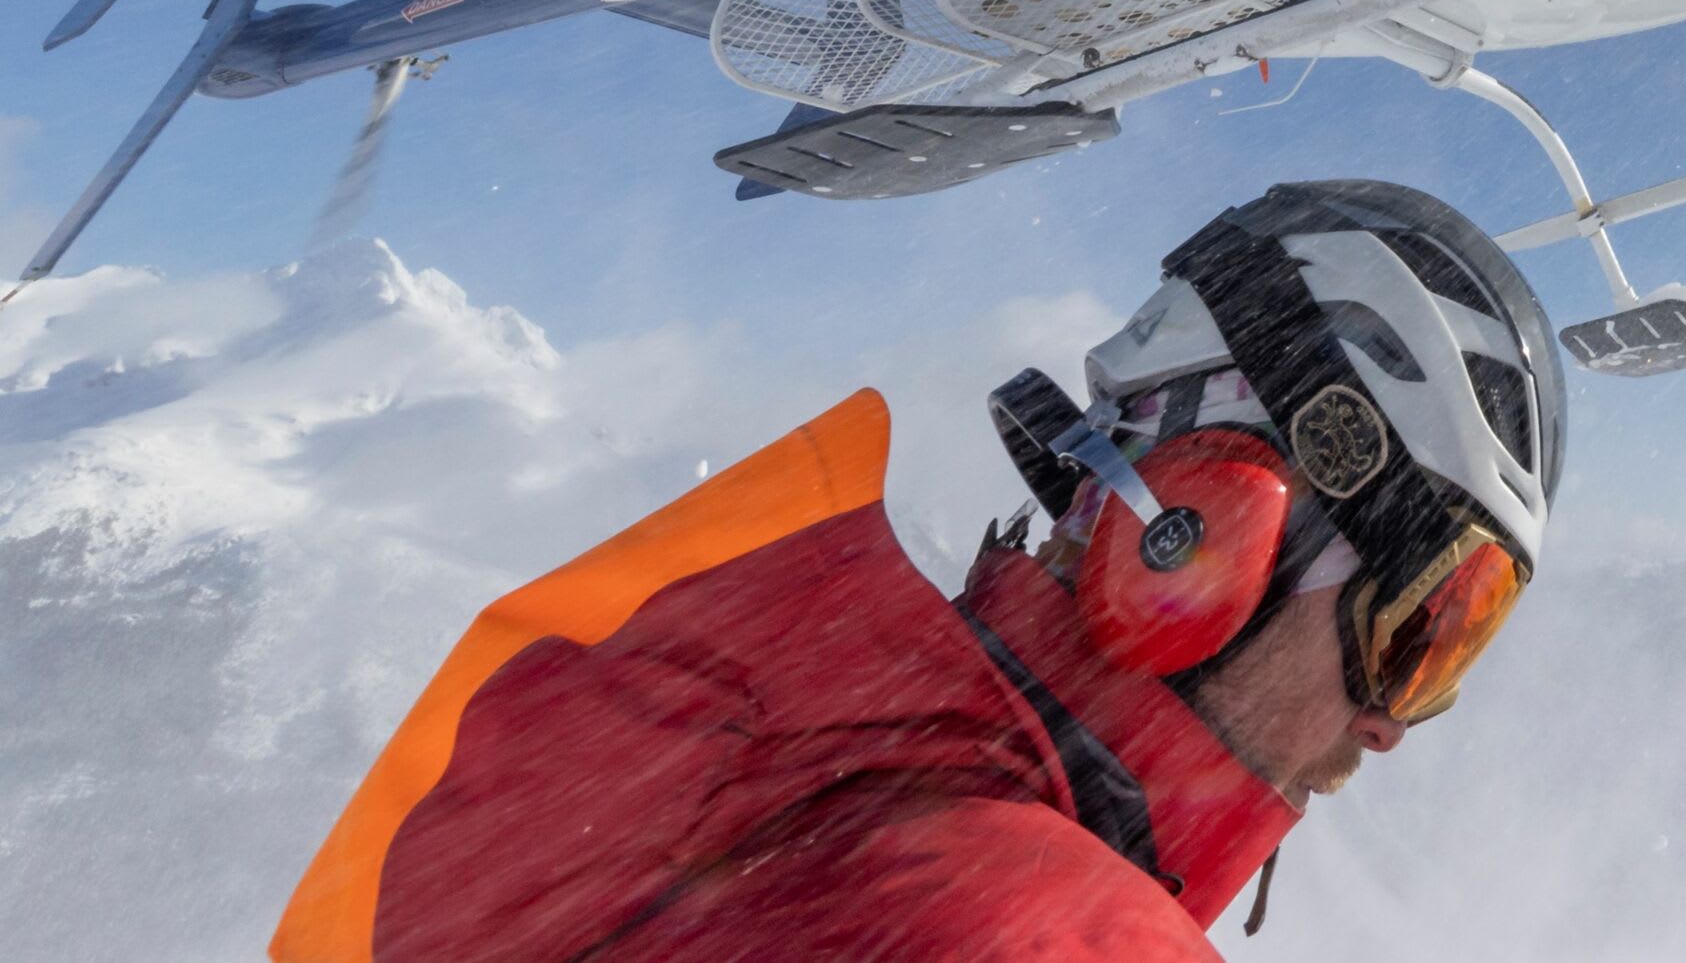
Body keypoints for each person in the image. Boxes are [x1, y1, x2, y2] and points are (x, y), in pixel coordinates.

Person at [272, 181, 1564, 963]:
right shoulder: (1032, 929)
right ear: (1198, 532)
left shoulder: (805, 781)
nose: (1394, 721)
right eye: (1428, 623)